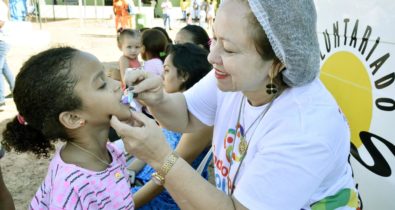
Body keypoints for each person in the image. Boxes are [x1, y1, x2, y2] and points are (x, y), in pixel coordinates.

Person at [110, 0, 361, 209]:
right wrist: (158, 99)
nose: (212, 56)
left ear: (277, 63)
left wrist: (160, 157)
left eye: (228, 49)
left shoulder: (306, 127)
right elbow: (186, 114)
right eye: (214, 38)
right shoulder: (236, 78)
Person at [1, 47, 135, 209]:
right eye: (101, 85)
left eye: (106, 76)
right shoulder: (71, 187)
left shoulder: (110, 152)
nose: (116, 84)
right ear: (73, 118)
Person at [130, 43, 213, 209]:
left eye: (166, 70)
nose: (161, 77)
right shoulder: (174, 110)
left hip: (166, 196)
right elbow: (155, 147)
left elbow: (170, 168)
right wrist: (129, 171)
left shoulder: (200, 118)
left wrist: (128, 203)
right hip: (145, 183)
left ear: (184, 75)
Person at [0, 0, 15, 107]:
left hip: (2, 42)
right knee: (4, 67)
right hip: (4, 41)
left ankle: (0, 100)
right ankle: (15, 89)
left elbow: (1, 22)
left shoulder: (1, 5)